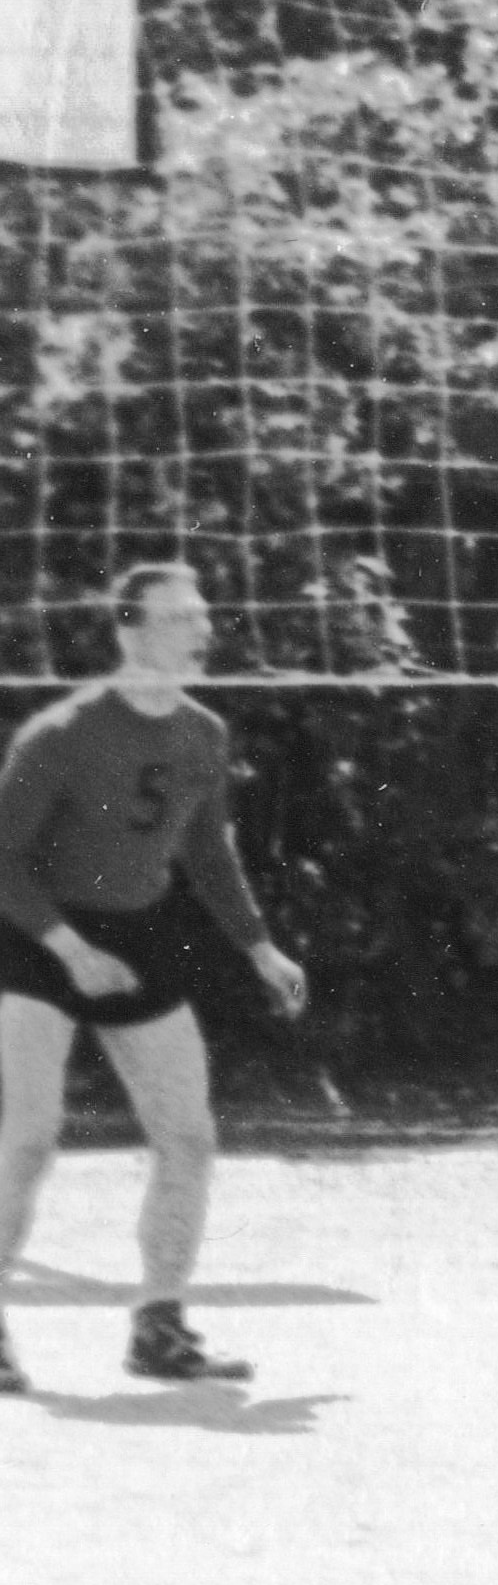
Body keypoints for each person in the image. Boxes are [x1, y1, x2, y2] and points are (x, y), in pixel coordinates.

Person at [0, 562, 311, 1396]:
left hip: (139, 932)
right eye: (179, 619)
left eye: (203, 617)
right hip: (34, 937)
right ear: (130, 632)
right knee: (27, 1139)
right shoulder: (64, 733)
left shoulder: (202, 733)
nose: (202, 633)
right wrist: (68, 948)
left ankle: (161, 1325)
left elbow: (208, 852)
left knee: (188, 1134)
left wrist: (260, 948)